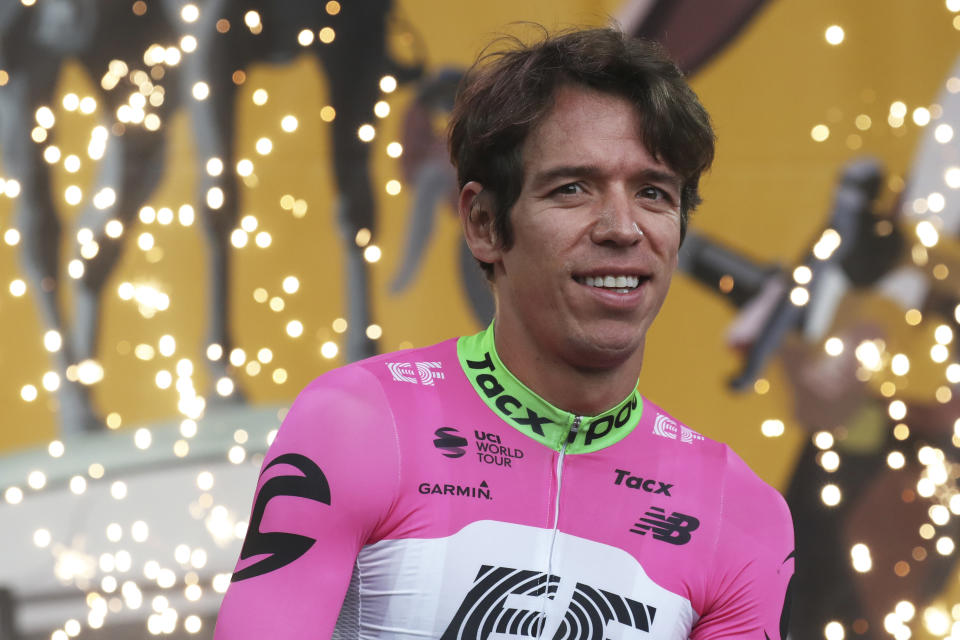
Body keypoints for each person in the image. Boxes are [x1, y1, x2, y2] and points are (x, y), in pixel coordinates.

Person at [214, 27, 794, 639]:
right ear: (485, 224)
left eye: (653, 193)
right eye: (573, 188)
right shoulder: (356, 422)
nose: (623, 228)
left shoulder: (743, 514)